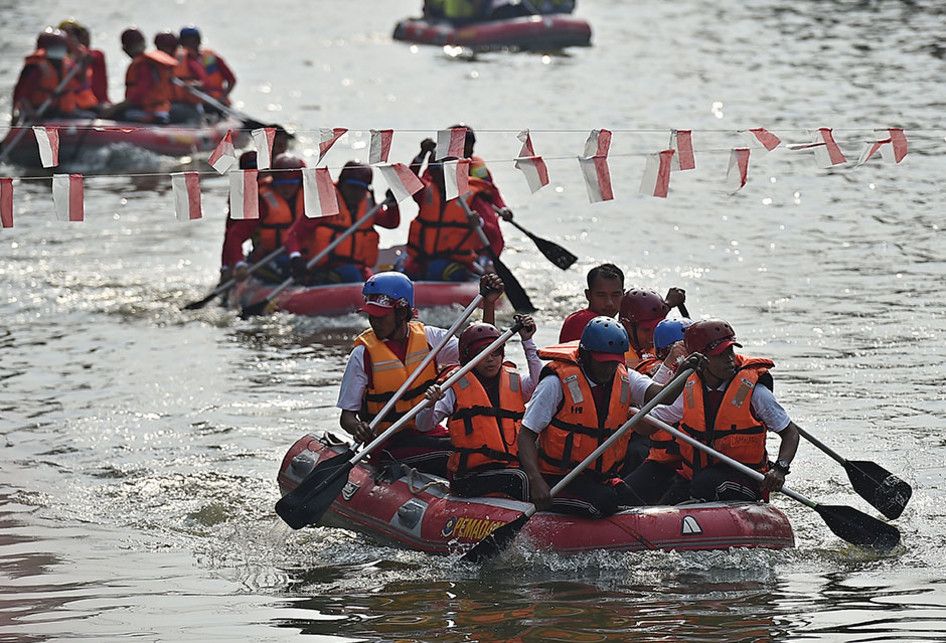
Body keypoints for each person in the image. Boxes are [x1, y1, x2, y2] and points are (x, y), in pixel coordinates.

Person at [337, 272, 503, 476]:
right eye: (371, 315)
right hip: (388, 443)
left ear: (401, 312)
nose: (374, 322)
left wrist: (488, 304)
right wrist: (358, 428)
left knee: (479, 447)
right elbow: (346, 418)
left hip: (429, 433)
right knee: (454, 456)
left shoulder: (430, 339)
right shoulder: (362, 355)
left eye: (381, 316)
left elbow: (482, 350)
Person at [516, 317, 685, 518]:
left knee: (637, 507)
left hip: (600, 478)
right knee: (604, 501)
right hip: (558, 479)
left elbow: (662, 397)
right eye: (603, 362)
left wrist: (682, 373)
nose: (609, 369)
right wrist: (536, 482)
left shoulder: (624, 376)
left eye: (614, 362)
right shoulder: (555, 383)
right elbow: (526, 434)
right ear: (586, 355)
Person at [633, 319, 800, 503]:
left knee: (706, 482)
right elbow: (645, 427)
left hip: (745, 478)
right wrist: (626, 409)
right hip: (696, 476)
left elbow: (790, 433)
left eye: (730, 351)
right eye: (720, 354)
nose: (729, 359)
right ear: (701, 359)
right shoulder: (687, 388)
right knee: (663, 505)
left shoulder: (754, 391)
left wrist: (780, 469)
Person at [418, 317, 541, 499]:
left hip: (509, 466)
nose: (490, 360)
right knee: (521, 478)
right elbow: (423, 425)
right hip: (469, 476)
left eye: (495, 353)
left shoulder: (515, 381)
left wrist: (527, 341)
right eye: (482, 354)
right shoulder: (454, 386)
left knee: (534, 473)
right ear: (468, 357)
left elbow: (539, 382)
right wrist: (428, 405)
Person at [284, 161, 400, 285]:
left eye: (361, 188)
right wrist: (295, 257)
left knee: (376, 283)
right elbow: (293, 234)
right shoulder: (325, 203)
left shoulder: (367, 204)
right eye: (352, 187)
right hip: (324, 270)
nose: (356, 193)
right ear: (341, 184)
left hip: (358, 269)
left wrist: (393, 205)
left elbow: (390, 223)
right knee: (351, 274)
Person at [405, 139, 503, 282]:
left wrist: (479, 223)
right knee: (401, 267)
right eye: (438, 174)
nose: (443, 180)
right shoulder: (425, 192)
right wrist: (422, 154)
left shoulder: (472, 197)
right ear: (432, 173)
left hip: (457, 262)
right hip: (421, 259)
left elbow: (494, 235)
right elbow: (408, 180)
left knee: (436, 269)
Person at [622, 318, 693, 505]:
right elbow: (656, 397)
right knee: (624, 494)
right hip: (663, 461)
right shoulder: (656, 369)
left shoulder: (707, 378)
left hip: (694, 466)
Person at [220, 153, 305, 283]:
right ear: (274, 181)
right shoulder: (262, 201)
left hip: (298, 256)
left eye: (292, 184)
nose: (287, 189)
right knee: (284, 265)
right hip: (267, 257)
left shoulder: (309, 198)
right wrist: (238, 264)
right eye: (282, 184)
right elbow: (234, 235)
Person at [11, 28, 89, 122]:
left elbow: (80, 84)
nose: (58, 49)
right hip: (41, 112)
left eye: (61, 46)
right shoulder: (36, 67)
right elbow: (22, 95)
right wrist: (30, 113)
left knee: (91, 117)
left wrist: (84, 65)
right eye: (55, 46)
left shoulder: (66, 64)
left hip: (62, 112)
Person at [102, 28, 177, 124]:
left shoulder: (143, 64)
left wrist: (114, 108)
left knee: (117, 115)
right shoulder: (146, 62)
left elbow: (139, 94)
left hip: (151, 111)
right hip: (156, 108)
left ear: (125, 48)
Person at [558, 264, 625, 343]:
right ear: (588, 295)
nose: (609, 303)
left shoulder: (615, 325)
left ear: (623, 295)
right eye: (601, 295)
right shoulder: (582, 321)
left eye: (615, 295)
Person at [154, 30, 204, 124]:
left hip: (188, 105)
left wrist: (193, 84)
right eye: (161, 48)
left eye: (169, 48)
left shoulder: (188, 59)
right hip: (165, 105)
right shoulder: (153, 64)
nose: (166, 52)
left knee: (172, 110)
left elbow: (203, 81)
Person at [178, 26, 236, 106]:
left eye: (194, 40)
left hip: (216, 102)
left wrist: (223, 96)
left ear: (199, 41)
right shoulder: (178, 59)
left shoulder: (210, 57)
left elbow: (231, 79)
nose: (192, 44)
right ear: (181, 42)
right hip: (192, 102)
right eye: (188, 41)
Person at [59, 19, 109, 104]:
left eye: (73, 35)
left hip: (98, 103)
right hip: (72, 104)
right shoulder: (62, 60)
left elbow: (87, 57)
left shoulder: (96, 54)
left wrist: (76, 47)